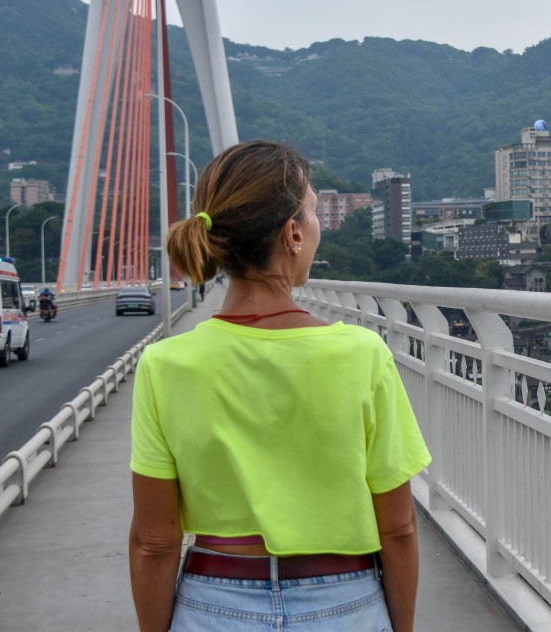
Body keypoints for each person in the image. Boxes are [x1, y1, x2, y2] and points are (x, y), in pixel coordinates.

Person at [129, 140, 431, 632]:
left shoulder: (167, 364)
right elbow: (398, 528)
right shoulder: (359, 353)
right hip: (343, 603)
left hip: (214, 604)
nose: (316, 230)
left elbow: (154, 542)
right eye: (312, 215)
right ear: (292, 233)